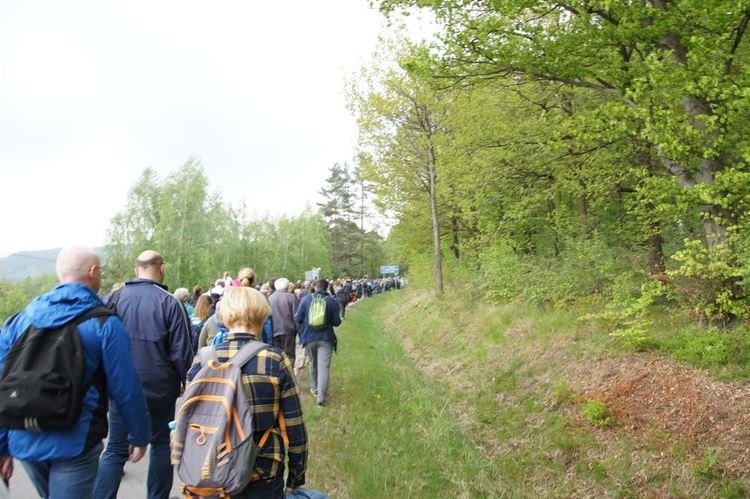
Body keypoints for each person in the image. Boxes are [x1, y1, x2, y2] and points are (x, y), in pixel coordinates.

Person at [0, 246, 151, 499]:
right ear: (92, 272)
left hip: (25, 437)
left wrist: (3, 445)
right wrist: (140, 433)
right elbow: (125, 388)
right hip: (75, 441)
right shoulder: (105, 323)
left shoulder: (19, 320)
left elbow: (3, 384)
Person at [187, 287, 308, 497]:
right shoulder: (275, 360)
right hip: (263, 470)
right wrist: (296, 478)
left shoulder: (204, 358)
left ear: (225, 320)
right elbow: (295, 426)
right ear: (262, 320)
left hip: (211, 467)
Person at [93, 250, 193, 499]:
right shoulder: (170, 302)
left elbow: (97, 342)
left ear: (136, 270)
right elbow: (181, 352)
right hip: (160, 389)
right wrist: (189, 384)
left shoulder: (113, 298)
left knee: (115, 449)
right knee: (161, 446)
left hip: (120, 389)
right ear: (161, 269)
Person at [294, 279, 341, 406]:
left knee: (313, 363)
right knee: (324, 367)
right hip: (326, 338)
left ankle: (314, 388)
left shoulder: (306, 300)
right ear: (327, 288)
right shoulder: (332, 301)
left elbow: (297, 318)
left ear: (315, 287)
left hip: (309, 338)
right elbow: (337, 322)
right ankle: (321, 397)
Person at [268, 277, 298, 366]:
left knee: (277, 356)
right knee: (289, 355)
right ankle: (289, 375)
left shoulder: (270, 298)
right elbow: (296, 315)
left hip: (274, 330)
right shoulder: (291, 297)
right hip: (289, 331)